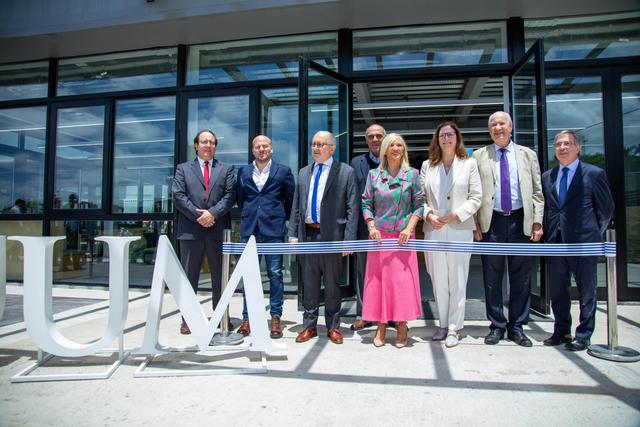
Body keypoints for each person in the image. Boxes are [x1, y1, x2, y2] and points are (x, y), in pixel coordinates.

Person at [472, 111, 544, 347]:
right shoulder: (479, 156)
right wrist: (475, 224)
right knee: (492, 278)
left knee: (521, 277)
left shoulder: (527, 155)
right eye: (493, 124)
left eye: (502, 123)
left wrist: (537, 221)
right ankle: (496, 325)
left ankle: (517, 326)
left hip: (520, 220)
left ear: (511, 127)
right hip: (491, 222)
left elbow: (536, 191)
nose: (497, 127)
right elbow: (474, 193)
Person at [542, 130, 614, 351]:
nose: (562, 148)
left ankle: (583, 334)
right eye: (558, 144)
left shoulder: (593, 174)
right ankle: (561, 330)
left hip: (584, 243)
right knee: (558, 291)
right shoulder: (548, 177)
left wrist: (593, 234)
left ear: (578, 148)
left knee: (587, 290)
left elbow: (606, 208)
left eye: (567, 144)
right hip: (555, 241)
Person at [288, 130, 358, 345]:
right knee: (308, 285)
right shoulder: (303, 173)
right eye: (313, 144)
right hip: (308, 235)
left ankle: (333, 326)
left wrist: (348, 239)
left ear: (332, 148)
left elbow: (352, 208)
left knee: (332, 284)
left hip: (333, 237)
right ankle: (309, 326)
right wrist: (293, 234)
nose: (316, 148)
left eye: (321, 144)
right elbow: (296, 207)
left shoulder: (345, 172)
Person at [421, 122, 482, 348]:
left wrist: (456, 214)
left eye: (450, 135)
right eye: (442, 135)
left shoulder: (469, 164)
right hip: (434, 230)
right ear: (437, 139)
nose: (446, 138)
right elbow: (420, 198)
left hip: (459, 230)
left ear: (457, 138)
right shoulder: (428, 165)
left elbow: (476, 197)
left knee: (457, 279)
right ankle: (443, 324)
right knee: (438, 280)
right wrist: (428, 215)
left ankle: (455, 327)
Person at [361, 133, 424, 348]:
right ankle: (380, 324)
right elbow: (366, 202)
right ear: (385, 150)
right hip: (379, 237)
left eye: (400, 145)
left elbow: (419, 204)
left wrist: (409, 227)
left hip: (403, 238)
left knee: (401, 283)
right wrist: (371, 226)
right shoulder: (373, 176)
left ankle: (402, 324)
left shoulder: (413, 175)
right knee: (378, 282)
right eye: (392, 145)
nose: (396, 148)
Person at [172, 129, 236, 335]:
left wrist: (212, 214)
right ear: (196, 145)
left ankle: (221, 317)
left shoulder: (226, 169)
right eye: (204, 142)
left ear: (215, 146)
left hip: (217, 231)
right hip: (191, 231)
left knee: (221, 278)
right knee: (189, 277)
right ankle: (187, 319)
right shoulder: (183, 169)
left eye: (212, 142)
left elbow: (229, 196)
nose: (208, 145)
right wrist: (199, 215)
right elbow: (178, 196)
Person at [235, 135, 295, 339]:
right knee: (248, 275)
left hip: (274, 230)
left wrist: (277, 217)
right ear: (253, 150)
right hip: (249, 230)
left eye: (265, 146)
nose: (262, 149)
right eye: (258, 146)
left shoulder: (284, 171)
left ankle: (275, 317)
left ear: (271, 148)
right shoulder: (243, 171)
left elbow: (290, 200)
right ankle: (247, 318)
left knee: (275, 274)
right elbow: (241, 199)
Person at [349, 123, 385, 331]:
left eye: (379, 136)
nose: (375, 140)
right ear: (366, 140)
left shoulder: (394, 159)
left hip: (390, 229)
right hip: (364, 228)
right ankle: (365, 314)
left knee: (388, 272)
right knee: (364, 273)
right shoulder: (357, 163)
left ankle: (388, 313)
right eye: (371, 136)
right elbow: (353, 197)